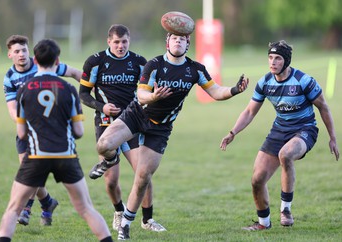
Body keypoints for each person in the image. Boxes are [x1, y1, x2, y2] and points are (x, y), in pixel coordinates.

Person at [89, 30, 249, 240]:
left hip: (161, 128)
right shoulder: (154, 64)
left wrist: (235, 89)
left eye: (182, 39)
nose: (178, 42)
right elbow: (140, 94)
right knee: (103, 145)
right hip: (137, 115)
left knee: (143, 176)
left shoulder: (195, 69)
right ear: (167, 42)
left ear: (187, 44)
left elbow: (216, 91)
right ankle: (111, 159)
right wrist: (154, 96)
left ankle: (126, 225)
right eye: (174, 38)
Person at [0, 38, 113, 242]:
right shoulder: (68, 90)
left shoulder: (24, 90)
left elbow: (22, 133)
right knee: (86, 209)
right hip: (65, 155)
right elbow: (78, 131)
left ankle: (38, 207)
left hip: (36, 154)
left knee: (13, 209)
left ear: (36, 60)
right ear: (57, 60)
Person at [220, 40, 340, 230]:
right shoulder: (265, 82)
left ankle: (286, 210)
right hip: (279, 131)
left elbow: (323, 107)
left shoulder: (303, 81)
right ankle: (263, 224)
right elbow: (250, 112)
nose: (272, 62)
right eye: (270, 58)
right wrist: (233, 132)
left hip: (305, 129)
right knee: (257, 180)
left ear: (286, 61)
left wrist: (332, 138)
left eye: (277, 58)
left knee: (286, 154)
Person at [79, 24, 166, 232]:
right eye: (116, 42)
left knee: (143, 174)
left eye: (124, 41)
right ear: (109, 41)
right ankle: (119, 211)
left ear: (129, 41)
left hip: (132, 124)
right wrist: (102, 107)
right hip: (106, 125)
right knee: (111, 181)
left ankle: (147, 220)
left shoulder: (138, 62)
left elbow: (149, 92)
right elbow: (83, 94)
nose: (120, 46)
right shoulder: (95, 62)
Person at [3, 35, 82, 226]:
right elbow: (13, 109)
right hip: (26, 130)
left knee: (31, 174)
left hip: (50, 130)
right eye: (17, 51)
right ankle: (47, 202)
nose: (21, 54)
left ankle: (27, 208)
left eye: (24, 50)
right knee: (29, 172)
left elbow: (73, 72)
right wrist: (25, 119)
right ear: (9, 55)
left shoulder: (43, 64)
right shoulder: (10, 77)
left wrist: (89, 88)